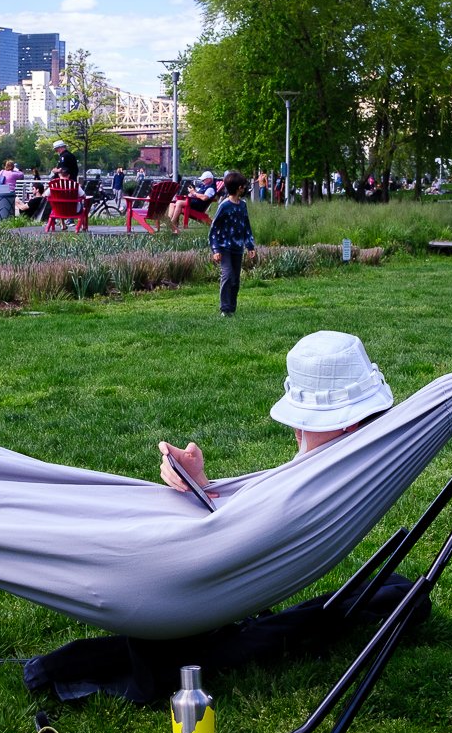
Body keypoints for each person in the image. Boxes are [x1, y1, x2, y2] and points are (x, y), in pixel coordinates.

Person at [158, 329, 395, 495]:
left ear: (349, 425)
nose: (297, 430)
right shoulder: (357, 466)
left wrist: (198, 482)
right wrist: (197, 480)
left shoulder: (295, 492)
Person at [207, 171, 256, 317]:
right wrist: (215, 249)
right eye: (244, 186)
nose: (245, 188)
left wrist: (250, 246)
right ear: (238, 188)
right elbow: (214, 229)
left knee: (235, 279)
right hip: (224, 248)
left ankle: (232, 308)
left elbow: (246, 226)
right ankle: (225, 308)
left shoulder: (242, 205)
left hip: (237, 248)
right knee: (227, 275)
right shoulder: (224, 206)